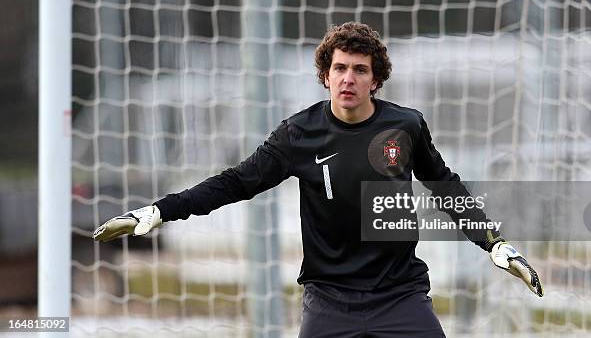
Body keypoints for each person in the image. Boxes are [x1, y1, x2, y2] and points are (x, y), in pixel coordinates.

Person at [94, 22, 543, 337]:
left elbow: (445, 186)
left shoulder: (406, 127)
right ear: (325, 76)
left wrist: (495, 243)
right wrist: (158, 211)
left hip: (400, 296)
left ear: (376, 79)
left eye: (360, 69)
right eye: (340, 68)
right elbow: (235, 182)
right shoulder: (297, 134)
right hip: (330, 302)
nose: (349, 78)